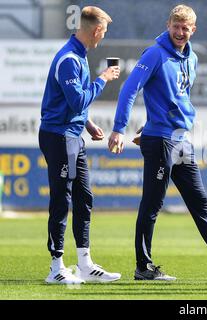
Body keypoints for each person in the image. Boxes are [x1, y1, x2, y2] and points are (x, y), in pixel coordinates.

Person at [108, 4, 207, 281]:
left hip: (180, 140)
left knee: (200, 201)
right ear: (168, 26)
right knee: (152, 204)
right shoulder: (154, 54)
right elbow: (130, 89)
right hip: (161, 141)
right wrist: (118, 128)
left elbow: (178, 97)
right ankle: (143, 267)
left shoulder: (192, 58)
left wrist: (153, 123)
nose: (179, 32)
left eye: (185, 28)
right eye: (175, 27)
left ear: (193, 30)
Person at [39, 6, 121, 284]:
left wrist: (87, 123)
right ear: (96, 30)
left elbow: (73, 104)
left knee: (84, 198)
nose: (103, 37)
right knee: (61, 200)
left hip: (74, 135)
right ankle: (56, 267)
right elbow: (77, 100)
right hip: (59, 136)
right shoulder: (70, 59)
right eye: (104, 32)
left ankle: (85, 264)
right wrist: (103, 79)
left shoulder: (80, 57)